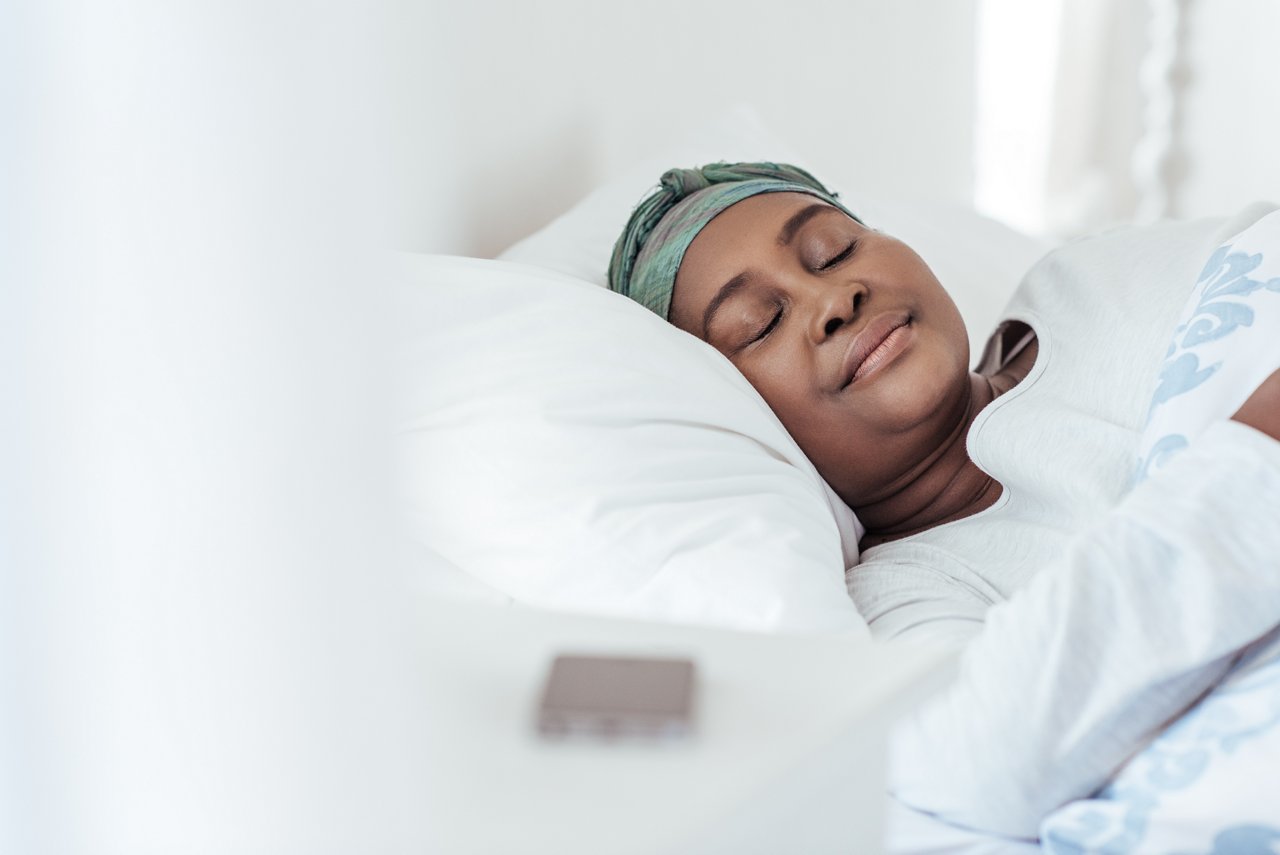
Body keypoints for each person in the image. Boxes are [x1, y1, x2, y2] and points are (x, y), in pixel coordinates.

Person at [607, 162, 1280, 838]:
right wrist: (1255, 449)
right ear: (741, 411)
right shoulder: (904, 602)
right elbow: (987, 761)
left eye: (834, 249)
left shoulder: (1090, 282)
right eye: (760, 323)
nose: (835, 299)